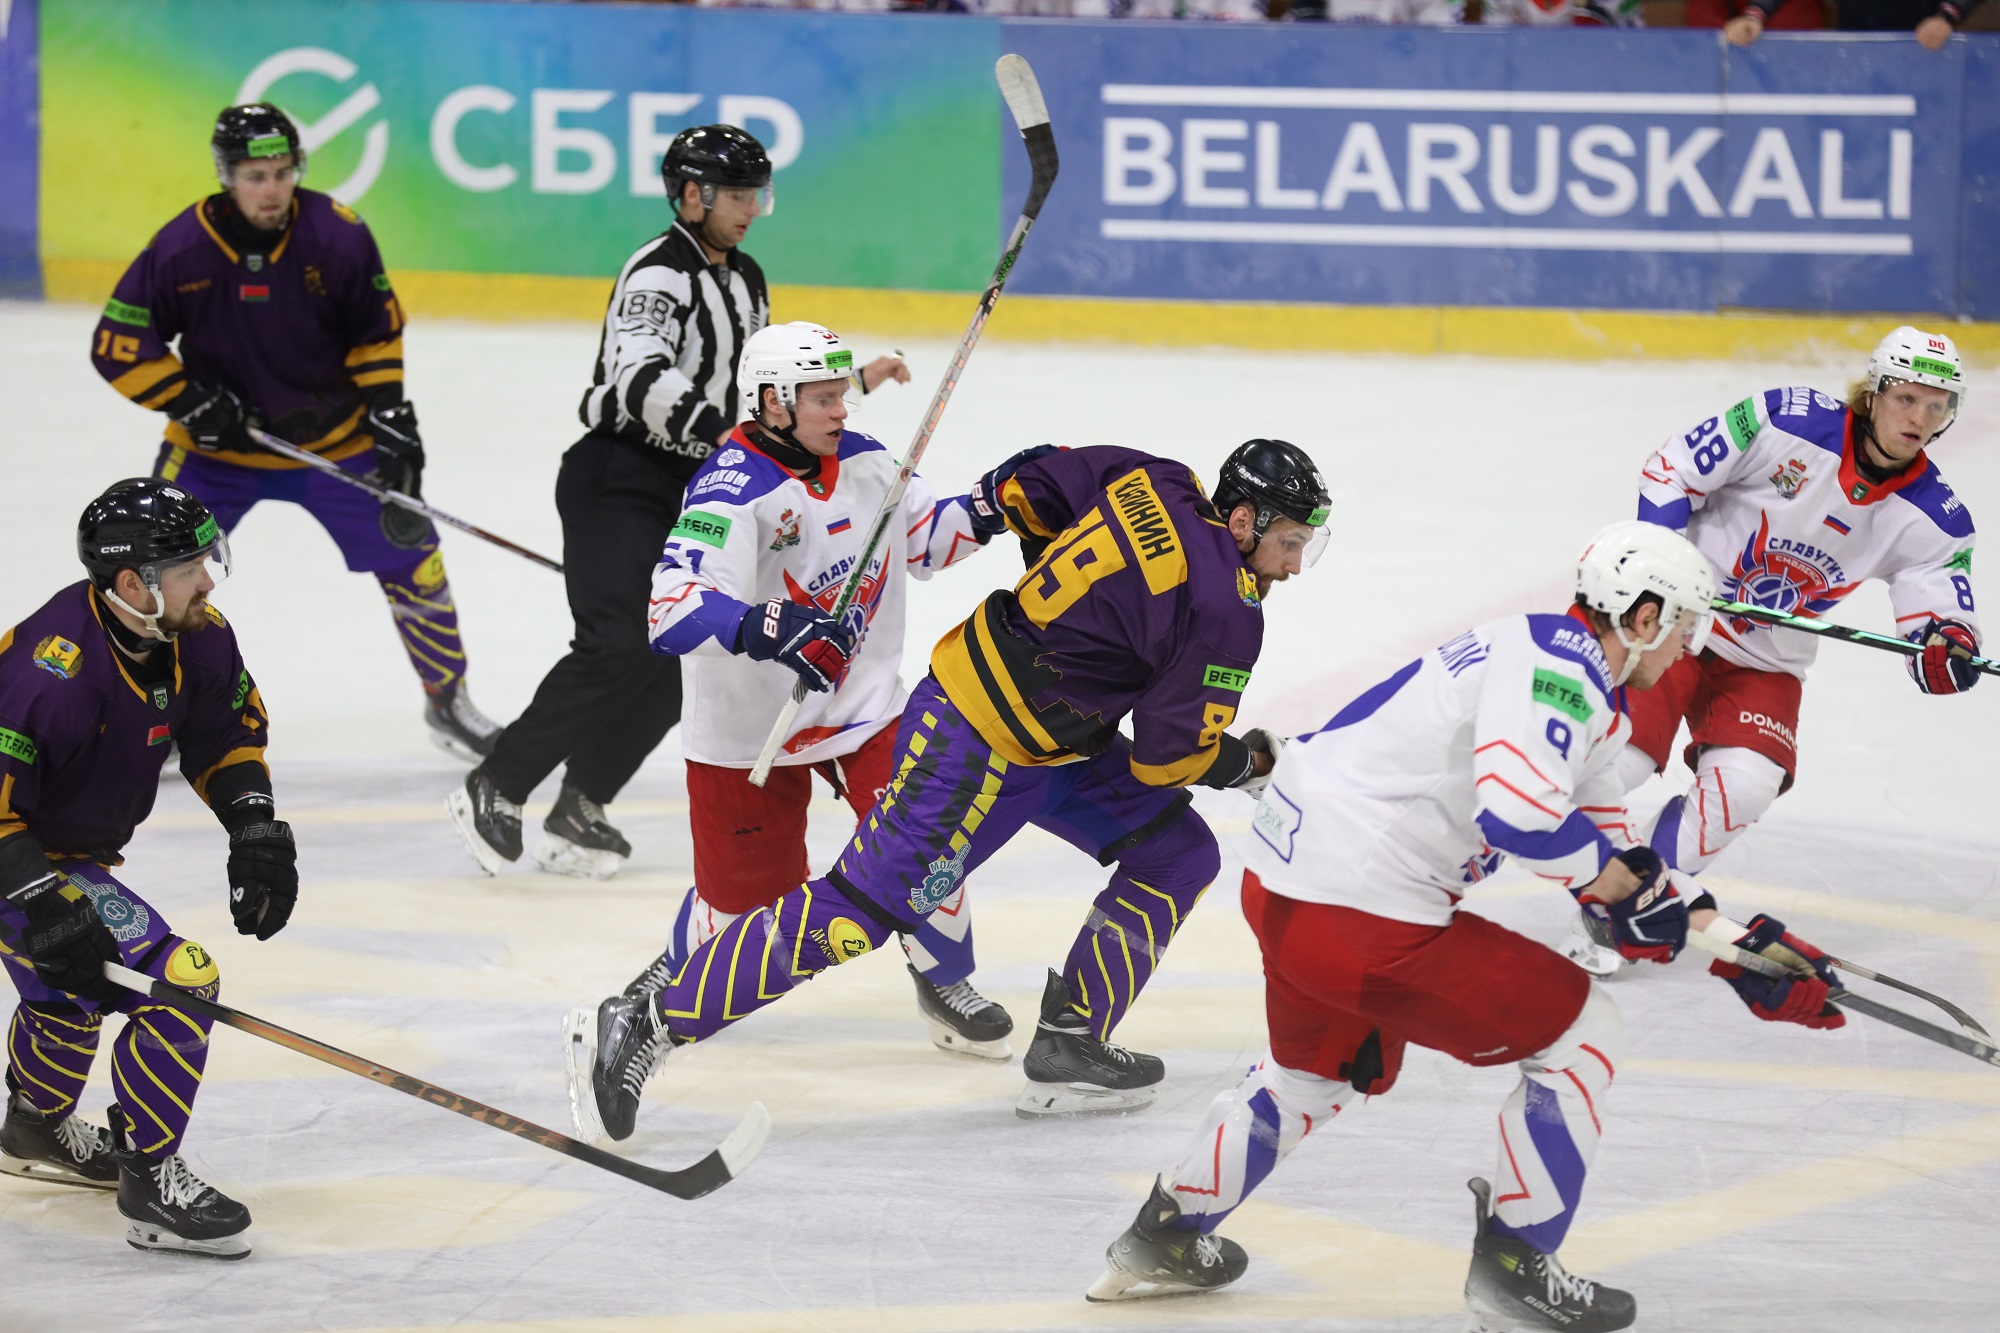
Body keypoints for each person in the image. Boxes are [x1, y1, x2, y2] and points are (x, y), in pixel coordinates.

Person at [1085, 522, 1846, 1333]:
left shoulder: (1553, 663)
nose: (1691, 644)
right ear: (1645, 615)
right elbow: (1520, 815)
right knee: (1582, 1033)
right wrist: (1618, 889)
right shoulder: (1563, 668)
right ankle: (1518, 1268)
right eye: (1686, 623)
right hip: (1361, 912)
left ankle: (1165, 1233)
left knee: (1308, 1075)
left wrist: (1735, 945)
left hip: (1288, 887)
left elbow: (1616, 855)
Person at [564, 438, 1332, 1145]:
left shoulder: (1155, 477)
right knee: (856, 914)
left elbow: (1026, 482)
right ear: (1241, 520)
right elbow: (1170, 757)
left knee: (1179, 852)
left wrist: (1064, 613)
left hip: (1056, 737)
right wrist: (1250, 762)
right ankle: (648, 1020)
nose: (1295, 565)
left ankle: (1070, 1040)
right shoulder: (1226, 609)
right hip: (975, 744)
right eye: (1290, 542)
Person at [446, 125, 905, 879]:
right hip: (618, 477)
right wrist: (725, 436)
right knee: (619, 643)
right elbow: (638, 376)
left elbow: (757, 386)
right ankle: (498, 779)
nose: (751, 209)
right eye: (737, 195)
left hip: (692, 484)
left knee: (684, 651)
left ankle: (583, 800)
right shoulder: (658, 273)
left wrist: (842, 389)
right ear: (692, 195)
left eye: (758, 195)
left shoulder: (747, 276)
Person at [595, 320, 1022, 1060]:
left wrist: (993, 504)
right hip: (749, 730)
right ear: (772, 402)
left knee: (929, 839)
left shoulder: (867, 460)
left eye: (841, 394)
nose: (842, 410)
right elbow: (669, 610)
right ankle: (664, 986)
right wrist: (767, 624)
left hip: (864, 709)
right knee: (745, 908)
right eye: (823, 398)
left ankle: (945, 981)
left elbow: (926, 541)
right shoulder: (732, 489)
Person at [87, 103, 498, 760]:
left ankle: (448, 700)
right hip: (215, 456)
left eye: (283, 173)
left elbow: (375, 334)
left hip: (337, 445)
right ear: (227, 176)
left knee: (415, 561)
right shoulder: (183, 247)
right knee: (150, 577)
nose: (272, 190)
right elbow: (118, 343)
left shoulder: (338, 235)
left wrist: (389, 414)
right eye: (256, 176)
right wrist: (191, 401)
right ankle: (148, 712)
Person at [0, 479, 299, 1259]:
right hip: (15, 849)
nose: (208, 582)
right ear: (134, 583)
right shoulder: (49, 675)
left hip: (57, 849)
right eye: (190, 568)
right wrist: (42, 900)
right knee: (179, 980)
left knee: (70, 992)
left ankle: (34, 1126)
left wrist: (253, 823)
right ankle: (151, 1183)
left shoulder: (194, 632)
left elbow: (224, 732)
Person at [1623, 327, 1977, 889]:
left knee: (1745, 786)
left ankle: (1630, 895)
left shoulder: (1936, 518)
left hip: (1766, 659)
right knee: (1618, 759)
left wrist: (1946, 649)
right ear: (1874, 393)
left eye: (1936, 407)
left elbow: (1939, 614)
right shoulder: (1787, 420)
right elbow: (1674, 468)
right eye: (1907, 398)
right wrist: (1661, 567)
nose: (1919, 418)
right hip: (1677, 621)